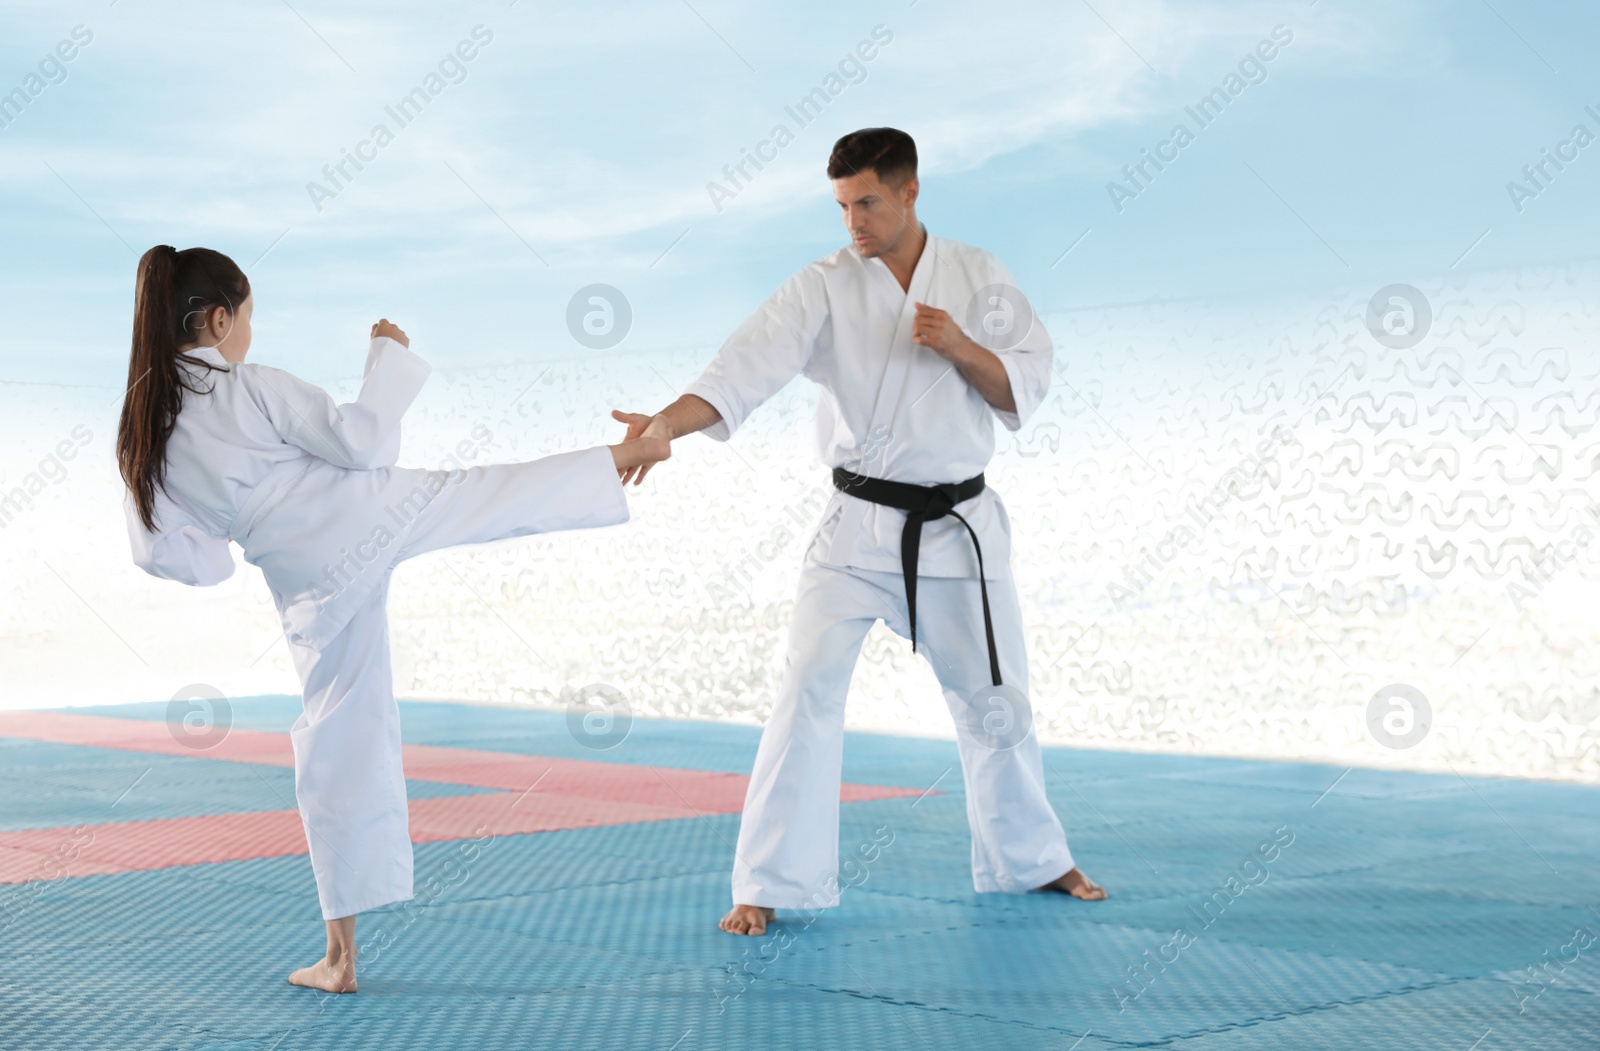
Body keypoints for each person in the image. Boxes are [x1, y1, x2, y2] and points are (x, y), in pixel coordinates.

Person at [116, 245, 669, 991]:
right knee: (489, 493)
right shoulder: (253, 386)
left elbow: (187, 560)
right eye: (246, 317)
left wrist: (248, 527)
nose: (247, 333)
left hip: (303, 576)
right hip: (366, 514)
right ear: (219, 319)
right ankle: (633, 451)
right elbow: (360, 440)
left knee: (336, 736)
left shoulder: (147, 435)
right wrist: (389, 355)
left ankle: (339, 956)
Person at [614, 128, 1105, 936]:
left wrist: (958, 345)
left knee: (996, 702)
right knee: (804, 691)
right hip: (854, 528)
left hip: (957, 527)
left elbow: (1026, 383)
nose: (854, 223)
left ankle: (1034, 860)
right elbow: (743, 369)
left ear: (910, 192)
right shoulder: (823, 287)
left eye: (868, 202)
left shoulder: (981, 275)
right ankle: (767, 881)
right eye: (842, 206)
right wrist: (666, 424)